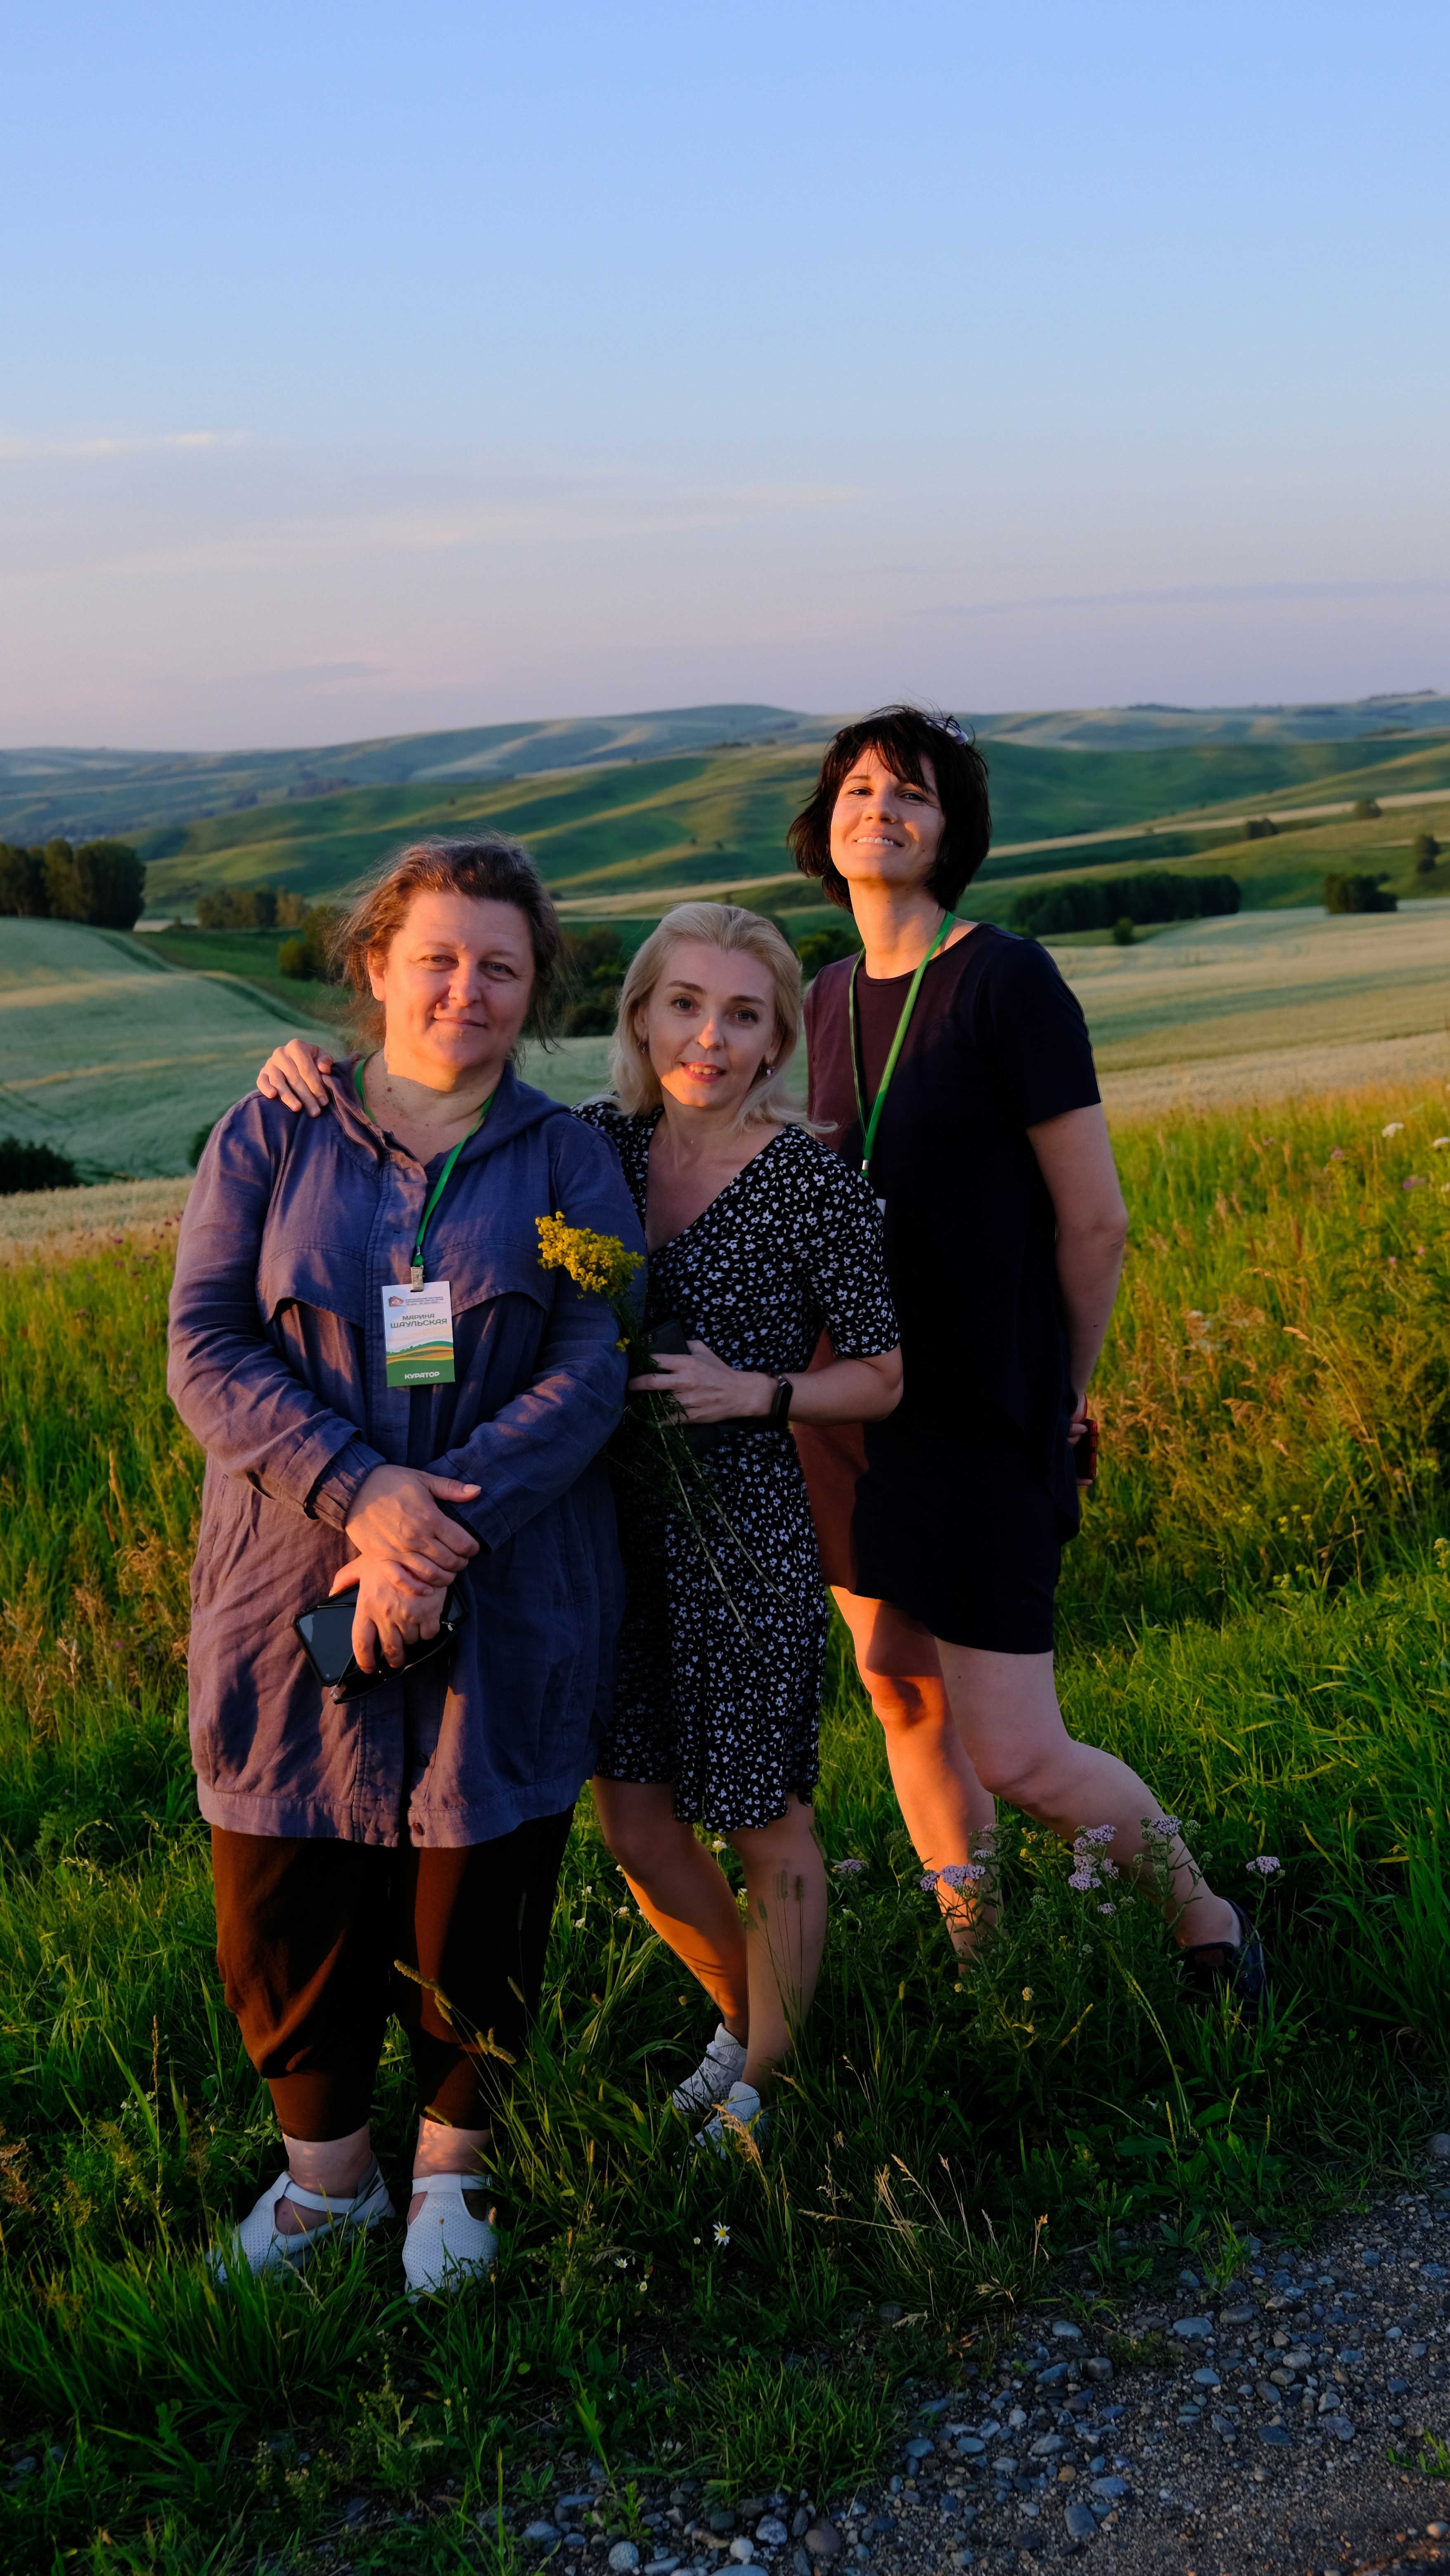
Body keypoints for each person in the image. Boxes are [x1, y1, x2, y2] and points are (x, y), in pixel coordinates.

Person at [256, 901, 903, 2144]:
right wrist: (313, 1077)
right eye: (683, 1005)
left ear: (776, 1044)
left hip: (740, 1537)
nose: (709, 1038)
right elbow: (432, 1123)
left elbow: (883, 1374)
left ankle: (775, 2081)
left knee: (767, 1818)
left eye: (743, 1016)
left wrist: (758, 1393)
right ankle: (754, 2020)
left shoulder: (813, 1182)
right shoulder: (589, 1145)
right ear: (639, 1014)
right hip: (592, 1538)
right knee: (638, 1826)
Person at [169, 836, 643, 2295]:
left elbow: (594, 1358)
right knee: (283, 1870)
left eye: (501, 966)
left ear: (534, 989)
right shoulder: (273, 1133)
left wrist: (441, 1529)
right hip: (285, 1578)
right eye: (437, 957)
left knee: (479, 1873)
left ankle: (454, 2167)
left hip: (504, 1580)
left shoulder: (570, 1159)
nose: (467, 989)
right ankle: (328, 2186)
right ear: (376, 968)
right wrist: (361, 1493)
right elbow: (205, 1341)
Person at [788, 704, 1265, 2001]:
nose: (880, 810)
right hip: (842, 1413)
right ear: (826, 821)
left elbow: (1095, 1219)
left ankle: (1206, 1917)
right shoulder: (816, 997)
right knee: (899, 1695)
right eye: (861, 788)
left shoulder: (1008, 981)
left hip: (985, 1410)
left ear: (955, 834)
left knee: (1018, 1749)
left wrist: (1063, 1388)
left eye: (914, 795)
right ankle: (981, 1961)